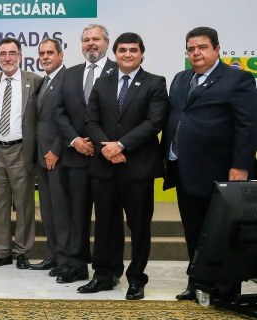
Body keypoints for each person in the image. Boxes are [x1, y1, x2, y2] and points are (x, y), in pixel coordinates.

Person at [162, 27, 257, 303]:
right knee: (194, 231)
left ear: (217, 49)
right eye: (191, 49)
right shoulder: (180, 79)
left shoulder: (238, 79)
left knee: (223, 234)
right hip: (183, 169)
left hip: (220, 172)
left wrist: (241, 166)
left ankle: (226, 290)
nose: (196, 53)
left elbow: (247, 126)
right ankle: (197, 283)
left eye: (202, 47)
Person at [77, 32, 168, 300]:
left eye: (133, 50)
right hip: (105, 166)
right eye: (122, 50)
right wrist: (107, 147)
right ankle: (104, 274)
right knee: (104, 224)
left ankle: (136, 279)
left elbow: (154, 122)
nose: (127, 54)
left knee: (139, 226)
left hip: (137, 168)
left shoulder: (155, 83)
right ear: (115, 53)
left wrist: (121, 145)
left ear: (142, 53)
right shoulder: (102, 83)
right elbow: (90, 121)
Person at [54, 24, 118, 284]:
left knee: (108, 217)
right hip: (76, 156)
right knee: (77, 214)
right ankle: (76, 265)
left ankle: (109, 270)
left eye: (96, 39)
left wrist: (100, 142)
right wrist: (74, 140)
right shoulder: (70, 74)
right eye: (86, 40)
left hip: (108, 158)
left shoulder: (119, 71)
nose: (91, 43)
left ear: (106, 42)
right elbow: (59, 112)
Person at [0, 37, 41, 270]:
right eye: (3, 54)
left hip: (21, 149)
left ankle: (22, 251)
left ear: (20, 56)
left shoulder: (34, 81)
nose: (7, 58)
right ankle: (2, 251)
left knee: (24, 203)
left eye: (12, 53)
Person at [29, 38, 68, 273]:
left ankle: (65, 260)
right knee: (48, 211)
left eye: (50, 53)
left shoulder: (68, 79)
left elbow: (70, 119)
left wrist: (56, 150)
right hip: (41, 157)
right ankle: (52, 255)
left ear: (60, 56)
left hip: (58, 156)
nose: (45, 57)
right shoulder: (43, 81)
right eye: (41, 53)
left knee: (62, 211)